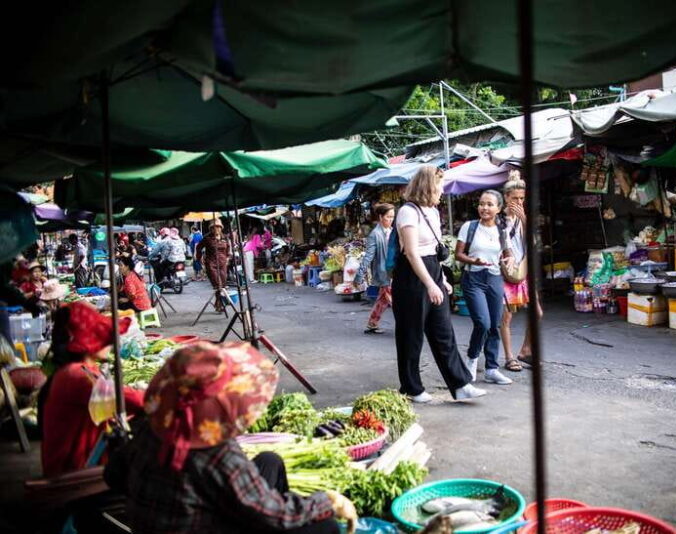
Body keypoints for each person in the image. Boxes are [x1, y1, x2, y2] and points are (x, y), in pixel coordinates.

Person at [104, 341, 354, 534]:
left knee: (270, 461)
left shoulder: (151, 426)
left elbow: (113, 475)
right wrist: (326, 501)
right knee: (325, 527)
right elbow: (275, 515)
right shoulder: (218, 455)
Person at [392, 166, 485, 403]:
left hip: (432, 270)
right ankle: (411, 388)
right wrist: (430, 285)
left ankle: (460, 384)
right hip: (411, 277)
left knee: (444, 332)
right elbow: (412, 253)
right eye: (439, 186)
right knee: (411, 336)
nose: (442, 191)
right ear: (428, 186)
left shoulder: (432, 212)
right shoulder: (407, 212)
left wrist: (441, 280)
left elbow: (434, 250)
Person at [38, 302, 145, 476]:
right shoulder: (77, 377)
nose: (110, 343)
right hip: (72, 473)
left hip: (77, 463)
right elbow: (137, 401)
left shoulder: (75, 371)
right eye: (104, 337)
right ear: (89, 342)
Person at [455, 190, 514, 385]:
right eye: (482, 204)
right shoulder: (469, 227)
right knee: (483, 323)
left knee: (495, 325)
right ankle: (472, 359)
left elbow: (507, 252)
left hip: (495, 279)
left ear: (498, 208)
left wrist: (509, 260)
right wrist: (474, 260)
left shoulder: (502, 230)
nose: (484, 208)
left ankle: (491, 369)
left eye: (489, 204)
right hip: (473, 278)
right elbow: (458, 254)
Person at [498, 174, 543, 369]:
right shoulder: (498, 218)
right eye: (515, 198)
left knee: (537, 312)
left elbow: (532, 244)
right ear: (506, 197)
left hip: (523, 269)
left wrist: (524, 219)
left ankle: (525, 350)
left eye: (522, 198)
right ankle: (509, 357)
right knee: (507, 317)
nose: (518, 202)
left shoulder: (522, 219)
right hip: (505, 271)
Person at [354, 203, 395, 334]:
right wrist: (359, 276)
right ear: (380, 217)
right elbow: (368, 257)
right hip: (384, 273)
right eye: (388, 217)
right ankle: (409, 326)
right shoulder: (374, 234)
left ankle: (372, 323)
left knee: (383, 300)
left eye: (392, 217)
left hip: (393, 271)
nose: (391, 219)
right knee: (397, 302)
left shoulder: (392, 231)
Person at [195, 219, 231, 312]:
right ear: (211, 229)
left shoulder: (225, 237)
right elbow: (198, 248)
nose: (216, 229)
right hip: (211, 263)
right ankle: (220, 304)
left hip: (223, 263)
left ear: (221, 228)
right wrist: (199, 258)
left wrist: (227, 257)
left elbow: (228, 249)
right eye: (214, 227)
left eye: (218, 227)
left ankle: (218, 303)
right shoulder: (207, 238)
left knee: (222, 285)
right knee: (217, 285)